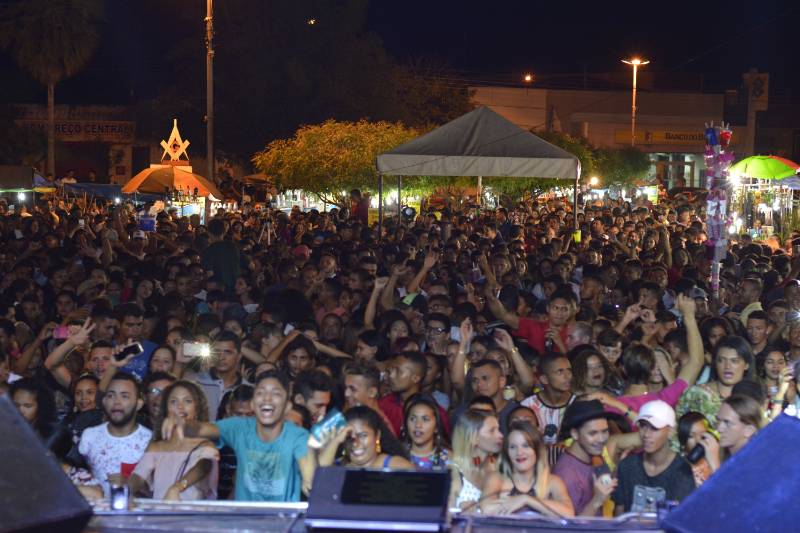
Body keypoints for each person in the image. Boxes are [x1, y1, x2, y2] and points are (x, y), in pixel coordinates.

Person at [161, 370, 314, 502]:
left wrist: (308, 477)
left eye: (276, 394)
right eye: (260, 393)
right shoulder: (240, 428)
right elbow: (202, 428)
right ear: (253, 404)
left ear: (287, 406)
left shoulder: (298, 436)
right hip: (245, 524)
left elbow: (307, 465)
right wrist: (182, 423)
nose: (267, 398)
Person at [129, 381, 219, 500]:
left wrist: (177, 487)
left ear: (197, 409)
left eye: (187, 401)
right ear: (166, 409)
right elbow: (138, 478)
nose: (180, 406)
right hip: (160, 515)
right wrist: (125, 488)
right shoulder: (156, 447)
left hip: (192, 516)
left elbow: (203, 466)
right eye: (173, 401)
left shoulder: (205, 445)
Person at [612, 400, 695, 514]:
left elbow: (681, 519)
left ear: (671, 431)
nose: (646, 434)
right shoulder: (627, 465)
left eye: (654, 428)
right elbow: (618, 513)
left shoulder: (682, 471)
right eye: (643, 426)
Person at [78, 372, 153, 495]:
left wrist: (132, 484)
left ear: (138, 404)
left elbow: (156, 490)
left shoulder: (150, 441)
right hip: (98, 512)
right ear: (104, 401)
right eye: (111, 395)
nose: (116, 402)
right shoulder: (89, 436)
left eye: (125, 396)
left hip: (136, 512)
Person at [481, 420, 575, 516]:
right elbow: (486, 509)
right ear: (507, 453)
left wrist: (526, 499)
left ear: (537, 450)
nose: (519, 453)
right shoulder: (497, 478)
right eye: (513, 447)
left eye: (526, 446)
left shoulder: (553, 481)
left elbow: (569, 513)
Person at [318, 405, 413, 469]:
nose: (356, 442)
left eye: (363, 435)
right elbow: (320, 476)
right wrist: (336, 440)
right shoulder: (338, 465)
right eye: (349, 437)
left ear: (377, 436)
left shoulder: (396, 466)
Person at [184, 331, 251, 420]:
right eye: (216, 352)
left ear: (239, 357)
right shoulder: (194, 381)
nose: (221, 357)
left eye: (227, 352)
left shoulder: (248, 388)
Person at [449, 409, 504, 511]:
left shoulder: (501, 467)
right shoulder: (454, 473)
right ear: (473, 437)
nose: (500, 435)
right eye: (492, 431)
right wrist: (459, 511)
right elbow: (444, 514)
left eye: (498, 429)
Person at [697, 395, 764, 474]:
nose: (719, 428)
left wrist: (714, 464)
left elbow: (728, 486)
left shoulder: (755, 463)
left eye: (727, 423)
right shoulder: (724, 454)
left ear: (749, 430)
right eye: (718, 420)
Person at [402, 393, 450, 470]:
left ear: (436, 427)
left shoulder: (446, 458)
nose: (418, 425)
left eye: (425, 419)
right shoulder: (398, 455)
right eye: (413, 419)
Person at [202, 218, 241, 292]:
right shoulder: (233, 246)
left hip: (220, 291)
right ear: (224, 232)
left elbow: (210, 274)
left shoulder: (208, 251)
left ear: (209, 233)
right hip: (236, 288)